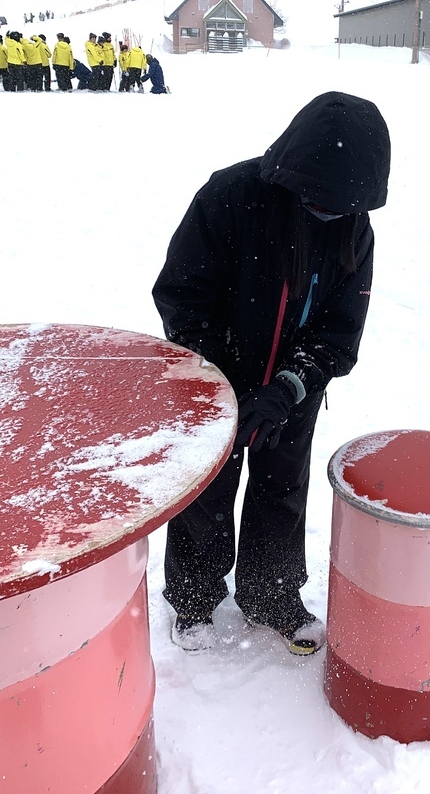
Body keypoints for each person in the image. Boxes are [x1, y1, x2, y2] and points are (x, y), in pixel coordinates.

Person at [152, 91, 391, 656]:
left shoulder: (354, 232)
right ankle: (193, 597)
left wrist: (289, 386)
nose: (329, 215)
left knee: (282, 487)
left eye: (343, 207)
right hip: (214, 382)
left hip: (291, 391)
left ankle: (271, 594)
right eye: (320, 202)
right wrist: (221, 379)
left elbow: (340, 329)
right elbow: (182, 295)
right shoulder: (229, 197)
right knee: (206, 491)